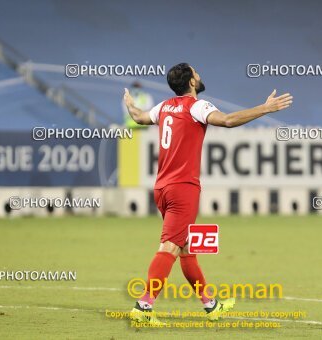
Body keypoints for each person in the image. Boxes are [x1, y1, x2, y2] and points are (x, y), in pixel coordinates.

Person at [123, 63, 292, 325]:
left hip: (162, 188)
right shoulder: (197, 107)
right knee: (169, 245)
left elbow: (138, 117)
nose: (200, 75)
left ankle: (210, 305)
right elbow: (226, 121)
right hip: (183, 189)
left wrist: (129, 104)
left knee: (186, 248)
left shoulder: (165, 106)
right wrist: (265, 108)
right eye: (196, 72)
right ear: (191, 81)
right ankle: (143, 307)